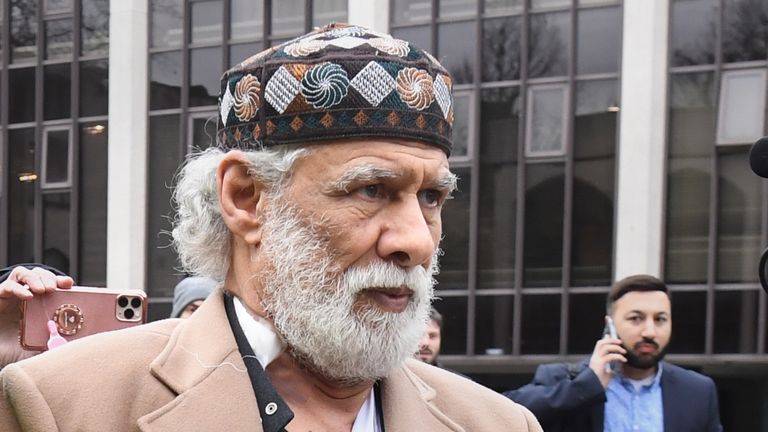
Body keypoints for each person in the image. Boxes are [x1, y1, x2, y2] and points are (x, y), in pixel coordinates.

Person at [0, 23, 541, 431]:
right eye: (371, 189)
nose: (416, 241)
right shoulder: (63, 405)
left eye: (430, 197)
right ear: (246, 198)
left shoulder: (497, 423)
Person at [504, 274, 722, 432]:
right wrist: (587, 384)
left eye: (660, 319)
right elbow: (506, 416)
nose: (649, 331)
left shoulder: (698, 391)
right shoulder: (563, 379)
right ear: (610, 325)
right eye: (635, 318)